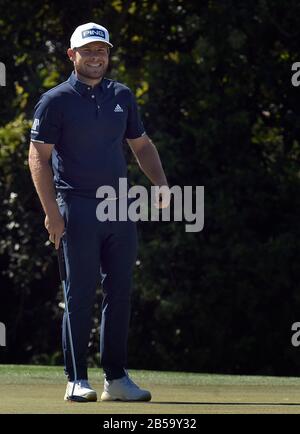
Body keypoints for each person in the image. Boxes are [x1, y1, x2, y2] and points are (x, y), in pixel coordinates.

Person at [28, 23, 170, 402]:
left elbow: (141, 144)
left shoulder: (121, 95)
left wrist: (161, 185)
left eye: (101, 51)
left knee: (120, 291)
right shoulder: (54, 101)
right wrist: (51, 213)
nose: (96, 57)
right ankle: (76, 379)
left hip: (119, 206)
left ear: (108, 55)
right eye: (88, 51)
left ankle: (117, 379)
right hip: (75, 206)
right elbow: (37, 158)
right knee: (79, 294)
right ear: (72, 56)